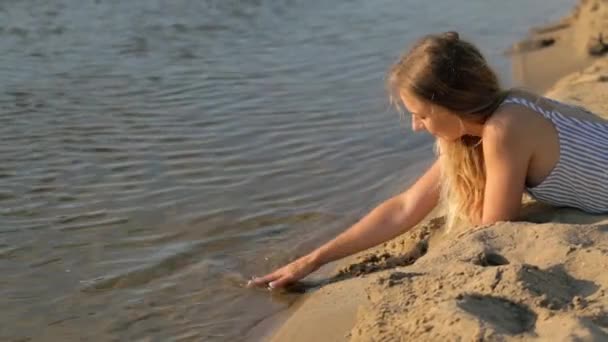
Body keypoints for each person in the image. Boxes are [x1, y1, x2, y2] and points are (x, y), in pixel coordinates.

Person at [248, 31, 608, 290]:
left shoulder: (505, 128)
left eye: (421, 114)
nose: (417, 126)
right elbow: (405, 207)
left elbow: (496, 228)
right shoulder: (493, 120)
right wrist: (314, 259)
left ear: (453, 104)